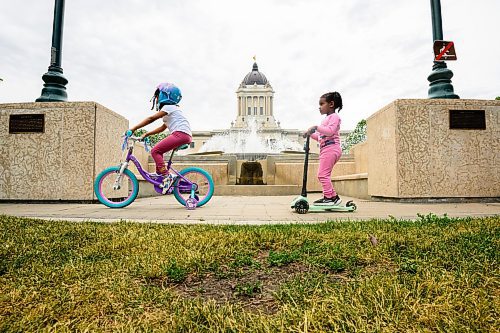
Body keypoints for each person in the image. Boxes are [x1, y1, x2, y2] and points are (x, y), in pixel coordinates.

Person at [128, 82, 192, 186]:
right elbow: (162, 128)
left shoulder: (168, 107)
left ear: (164, 95)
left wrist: (134, 128)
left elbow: (151, 119)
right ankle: (161, 175)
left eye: (157, 96)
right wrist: (147, 134)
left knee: (155, 151)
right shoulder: (172, 110)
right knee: (159, 153)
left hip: (180, 134)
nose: (156, 99)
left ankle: (166, 177)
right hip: (184, 135)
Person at [305, 91, 343, 206]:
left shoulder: (334, 117)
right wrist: (310, 134)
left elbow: (330, 132)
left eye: (322, 104)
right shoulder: (327, 119)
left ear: (331, 104)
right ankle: (333, 197)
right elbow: (321, 138)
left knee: (322, 175)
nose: (319, 107)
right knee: (323, 174)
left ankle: (329, 197)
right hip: (327, 148)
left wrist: (316, 127)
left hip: (331, 148)